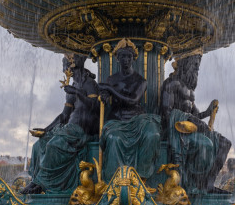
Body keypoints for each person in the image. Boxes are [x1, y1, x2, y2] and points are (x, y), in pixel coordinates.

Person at [21, 54, 99, 194]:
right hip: (69, 127)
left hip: (82, 129)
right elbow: (64, 116)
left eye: (69, 70)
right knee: (39, 145)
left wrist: (77, 92)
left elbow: (95, 106)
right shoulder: (73, 86)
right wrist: (45, 130)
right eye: (65, 70)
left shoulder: (89, 84)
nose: (67, 73)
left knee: (53, 145)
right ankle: (35, 181)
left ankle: (41, 184)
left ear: (75, 67)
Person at [161, 52, 231, 193]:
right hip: (177, 130)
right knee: (206, 145)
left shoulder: (190, 91)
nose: (196, 71)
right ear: (183, 65)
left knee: (225, 143)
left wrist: (208, 111)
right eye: (194, 67)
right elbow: (166, 112)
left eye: (197, 68)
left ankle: (208, 184)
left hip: (191, 128)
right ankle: (193, 181)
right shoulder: (172, 84)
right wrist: (186, 119)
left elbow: (196, 116)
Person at [99, 38, 161, 181]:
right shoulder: (111, 79)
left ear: (133, 58)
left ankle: (141, 177)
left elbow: (133, 100)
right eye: (122, 56)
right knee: (114, 139)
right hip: (117, 120)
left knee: (154, 135)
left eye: (129, 56)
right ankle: (117, 180)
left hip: (139, 120)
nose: (126, 59)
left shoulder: (141, 81)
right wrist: (103, 95)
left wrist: (109, 89)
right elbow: (105, 96)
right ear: (117, 58)